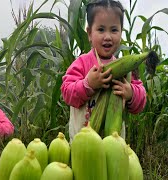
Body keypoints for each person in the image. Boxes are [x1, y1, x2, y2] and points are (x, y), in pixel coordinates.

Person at [61, 0, 146, 141]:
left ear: (121, 32)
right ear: (89, 33)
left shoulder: (126, 68)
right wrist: (88, 84)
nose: (107, 36)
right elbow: (67, 93)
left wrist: (131, 93)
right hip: (82, 147)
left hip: (113, 145)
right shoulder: (82, 63)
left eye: (114, 30)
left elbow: (141, 101)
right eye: (101, 29)